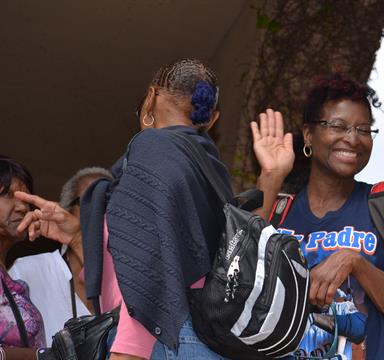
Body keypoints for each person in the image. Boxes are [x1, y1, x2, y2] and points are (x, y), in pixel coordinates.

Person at [16, 59, 232, 360]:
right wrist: (80, 237)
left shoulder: (152, 151)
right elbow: (178, 253)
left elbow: (151, 269)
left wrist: (127, 351)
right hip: (203, 343)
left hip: (161, 342)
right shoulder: (208, 166)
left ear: (152, 96)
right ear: (210, 117)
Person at [251, 72, 384, 359]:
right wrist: (271, 176)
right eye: (338, 126)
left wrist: (355, 263)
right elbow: (238, 279)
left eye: (363, 129)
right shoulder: (278, 211)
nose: (353, 139)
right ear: (309, 134)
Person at [9, 167, 112, 345]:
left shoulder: (128, 283)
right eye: (92, 202)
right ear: (66, 211)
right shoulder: (27, 271)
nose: (103, 211)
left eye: (112, 203)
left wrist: (78, 240)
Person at [0, 155, 46, 359]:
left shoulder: (12, 282)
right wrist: (41, 356)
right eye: (8, 195)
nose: (21, 207)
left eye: (25, 199)